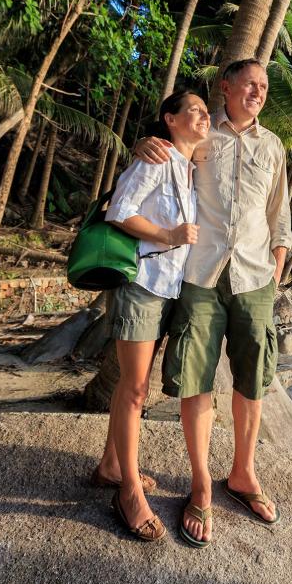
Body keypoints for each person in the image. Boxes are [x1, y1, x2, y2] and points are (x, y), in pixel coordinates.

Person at [133, 58, 291, 548]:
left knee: (252, 378)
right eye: (250, 84)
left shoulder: (272, 145)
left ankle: (242, 474)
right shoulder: (201, 135)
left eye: (264, 86)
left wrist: (279, 262)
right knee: (194, 376)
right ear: (226, 87)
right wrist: (141, 143)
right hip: (200, 274)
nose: (258, 92)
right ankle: (201, 482)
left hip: (254, 276)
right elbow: (163, 149)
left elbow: (278, 211)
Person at [90, 89, 210, 543]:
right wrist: (168, 234)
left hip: (169, 290)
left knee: (135, 385)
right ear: (170, 120)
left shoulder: (189, 164)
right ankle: (130, 492)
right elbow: (119, 211)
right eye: (193, 111)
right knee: (135, 387)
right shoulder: (155, 158)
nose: (203, 117)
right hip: (142, 285)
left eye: (205, 111)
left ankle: (110, 466)